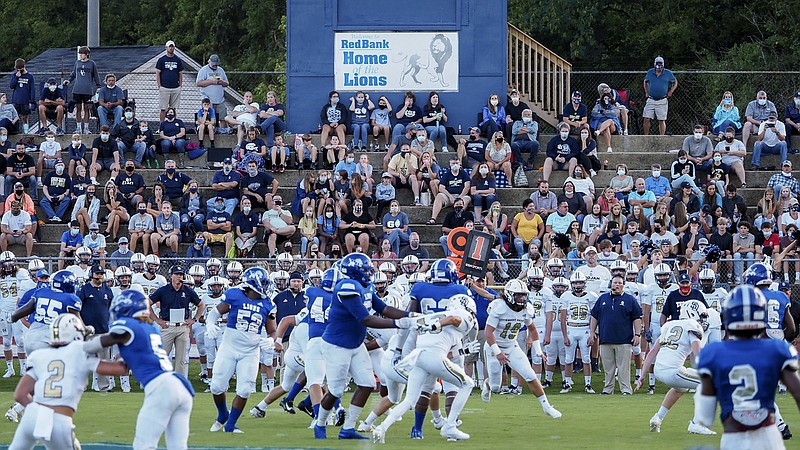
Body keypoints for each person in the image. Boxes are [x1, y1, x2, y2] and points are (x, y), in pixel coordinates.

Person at [311, 254, 418, 440]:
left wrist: (410, 314)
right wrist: (397, 324)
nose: (370, 274)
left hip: (355, 344)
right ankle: (320, 424)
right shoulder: (346, 287)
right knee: (336, 391)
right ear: (354, 271)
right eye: (366, 270)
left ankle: (348, 428)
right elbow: (365, 318)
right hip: (337, 345)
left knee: (367, 384)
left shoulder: (365, 287)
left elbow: (384, 309)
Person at [695, 285, 800, 449]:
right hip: (769, 437)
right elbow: (798, 392)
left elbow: (705, 416)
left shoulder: (713, 353)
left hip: (733, 438)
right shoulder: (777, 350)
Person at [87, 289, 195, 448]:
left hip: (161, 389)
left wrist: (79, 349)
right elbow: (122, 368)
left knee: (144, 445)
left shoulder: (128, 325)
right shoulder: (150, 328)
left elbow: (105, 341)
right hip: (180, 388)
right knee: (177, 447)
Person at [8, 313, 127, 449]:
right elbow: (119, 369)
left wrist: (40, 414)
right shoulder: (78, 351)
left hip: (31, 415)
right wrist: (125, 354)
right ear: (76, 334)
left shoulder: (40, 355)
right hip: (58, 420)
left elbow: (20, 395)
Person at [371, 295, 479, 443]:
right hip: (433, 356)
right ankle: (450, 426)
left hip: (419, 356)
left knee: (409, 400)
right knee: (468, 383)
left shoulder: (431, 316)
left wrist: (462, 351)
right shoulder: (462, 315)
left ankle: (382, 428)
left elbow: (409, 326)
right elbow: (454, 319)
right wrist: (437, 325)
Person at [633, 300, 716, 435]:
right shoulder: (692, 325)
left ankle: (657, 418)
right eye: (701, 316)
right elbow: (698, 353)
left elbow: (652, 352)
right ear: (692, 313)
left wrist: (642, 376)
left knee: (680, 388)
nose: (702, 320)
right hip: (673, 371)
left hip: (659, 370)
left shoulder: (669, 325)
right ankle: (697, 424)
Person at [480, 279, 561, 416]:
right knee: (495, 387)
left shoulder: (526, 309)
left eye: (523, 295)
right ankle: (487, 385)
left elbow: (533, 330)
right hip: (494, 347)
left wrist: (539, 351)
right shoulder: (499, 307)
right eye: (518, 295)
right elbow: (488, 333)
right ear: (510, 294)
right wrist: (498, 353)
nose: (522, 298)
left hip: (512, 346)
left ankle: (546, 407)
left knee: (530, 375)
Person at [589, 275, 642, 395]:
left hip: (624, 340)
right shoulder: (602, 299)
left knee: (624, 368)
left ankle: (626, 389)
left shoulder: (630, 299)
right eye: (614, 283)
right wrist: (592, 332)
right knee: (608, 368)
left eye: (619, 283)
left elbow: (637, 318)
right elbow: (594, 316)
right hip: (605, 339)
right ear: (611, 284)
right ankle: (608, 389)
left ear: (623, 285)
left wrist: (637, 334)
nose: (616, 285)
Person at [149, 265, 204, 377]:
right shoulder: (163, 290)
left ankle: (179, 384)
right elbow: (147, 303)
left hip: (182, 327)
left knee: (181, 359)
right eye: (177, 274)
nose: (179, 277)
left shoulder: (188, 291)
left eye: (181, 275)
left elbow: (201, 304)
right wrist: (157, 320)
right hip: (167, 326)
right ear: (171, 276)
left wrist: (194, 319)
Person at [559, 272, 598, 394]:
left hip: (584, 329)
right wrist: (565, 336)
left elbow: (593, 317)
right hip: (571, 328)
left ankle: (588, 384)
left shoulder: (591, 296)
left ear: (584, 284)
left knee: (586, 358)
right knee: (569, 358)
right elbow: (563, 318)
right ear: (571, 284)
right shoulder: (566, 296)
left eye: (580, 282)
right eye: (575, 283)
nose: (578, 285)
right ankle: (567, 383)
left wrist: (592, 333)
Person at [63, 46, 101, 134]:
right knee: (78, 108)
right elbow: (73, 73)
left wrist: (98, 86)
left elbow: (96, 75)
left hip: (87, 90)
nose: (80, 55)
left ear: (87, 54)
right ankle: (78, 128)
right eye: (79, 54)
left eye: (82, 54)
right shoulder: (77, 63)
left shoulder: (92, 63)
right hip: (77, 89)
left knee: (87, 108)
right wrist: (69, 80)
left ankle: (86, 128)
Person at [428, 156, 471, 224]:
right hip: (449, 196)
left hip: (461, 195)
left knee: (467, 199)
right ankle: (433, 218)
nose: (455, 165)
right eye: (453, 163)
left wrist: (460, 197)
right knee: (439, 196)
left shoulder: (463, 173)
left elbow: (467, 186)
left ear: (460, 164)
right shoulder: (447, 173)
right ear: (450, 164)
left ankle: (459, 217)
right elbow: (441, 187)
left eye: (457, 163)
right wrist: (450, 196)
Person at [642, 56, 677, 135]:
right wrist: (646, 92)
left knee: (661, 120)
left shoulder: (668, 73)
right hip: (651, 99)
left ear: (663, 64)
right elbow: (645, 81)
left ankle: (662, 137)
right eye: (657, 64)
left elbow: (675, 82)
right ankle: (646, 136)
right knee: (647, 118)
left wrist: (671, 91)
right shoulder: (650, 72)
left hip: (662, 100)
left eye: (660, 64)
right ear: (655, 64)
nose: (659, 66)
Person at [156, 40, 185, 122]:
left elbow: (180, 73)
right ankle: (162, 126)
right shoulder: (161, 60)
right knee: (163, 108)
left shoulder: (178, 60)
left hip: (175, 87)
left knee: (173, 109)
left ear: (174, 48)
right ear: (166, 48)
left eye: (172, 46)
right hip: (164, 87)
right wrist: (159, 85)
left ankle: (173, 125)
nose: (171, 48)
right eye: (170, 46)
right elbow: (158, 73)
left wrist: (180, 85)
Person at [196, 54, 229, 121]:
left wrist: (221, 82)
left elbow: (227, 83)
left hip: (220, 100)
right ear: (209, 62)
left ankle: (222, 131)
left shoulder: (221, 70)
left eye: (216, 64)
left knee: (223, 118)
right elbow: (198, 83)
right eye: (213, 64)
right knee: (209, 119)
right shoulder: (203, 70)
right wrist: (211, 81)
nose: (215, 65)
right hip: (208, 100)